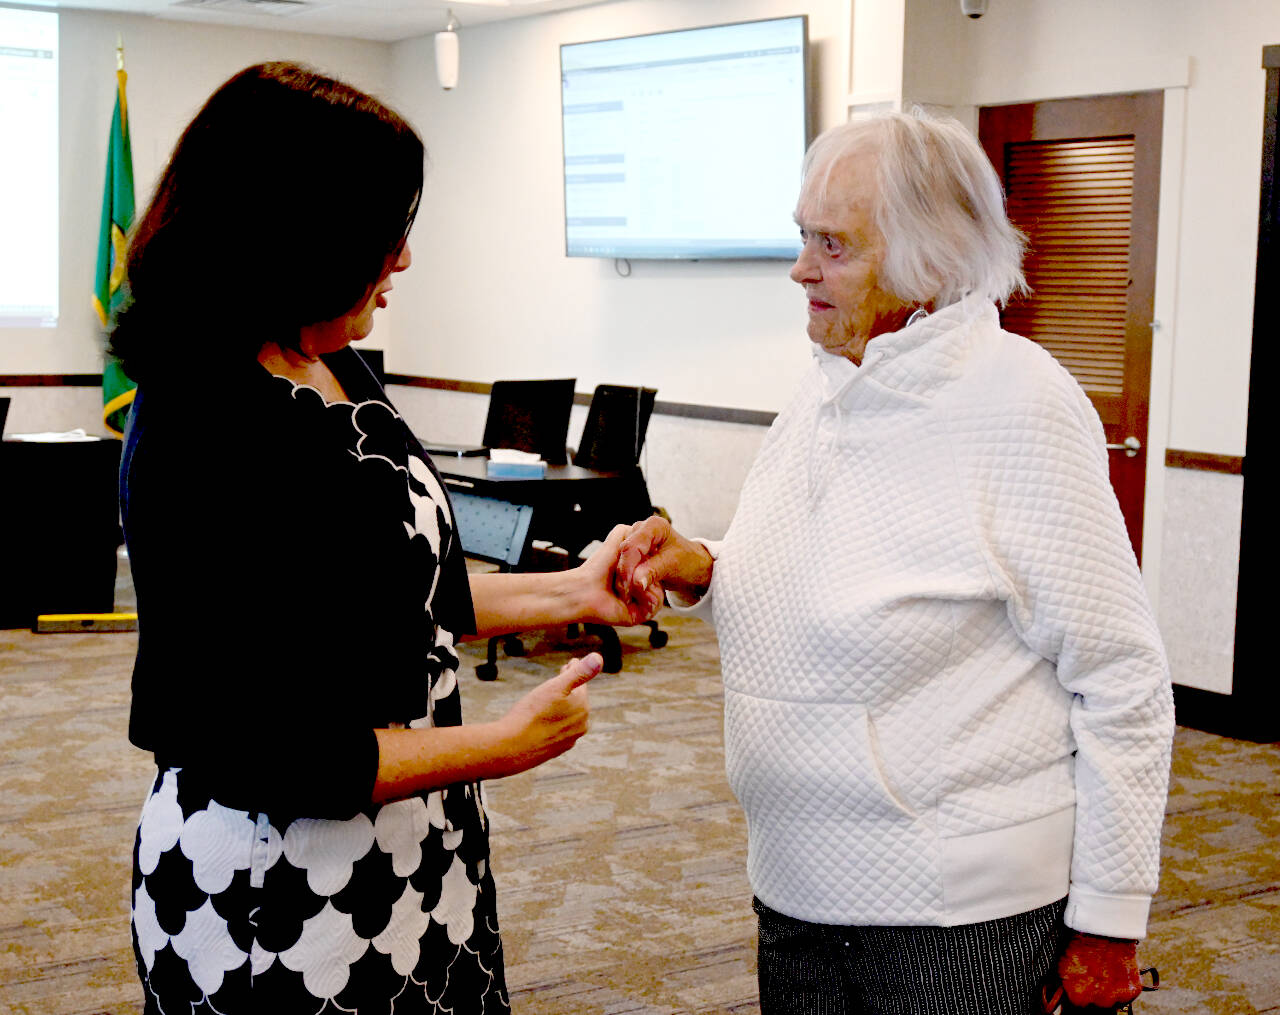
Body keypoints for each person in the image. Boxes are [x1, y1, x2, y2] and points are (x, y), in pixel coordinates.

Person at [113, 62, 652, 1014]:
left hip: (412, 855)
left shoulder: (328, 362)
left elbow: (410, 592)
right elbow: (276, 751)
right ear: (298, 232)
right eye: (383, 228)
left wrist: (578, 589)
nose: (401, 257)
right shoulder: (204, 426)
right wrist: (501, 743)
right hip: (278, 897)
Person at [616, 110, 1174, 1014]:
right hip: (794, 886)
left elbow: (1123, 678)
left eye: (832, 245)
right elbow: (821, 584)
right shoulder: (826, 387)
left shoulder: (1020, 403)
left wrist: (1111, 918)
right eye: (802, 237)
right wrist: (706, 566)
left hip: (959, 916)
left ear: (927, 259)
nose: (800, 269)